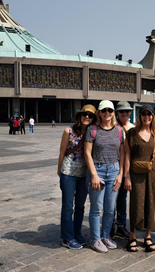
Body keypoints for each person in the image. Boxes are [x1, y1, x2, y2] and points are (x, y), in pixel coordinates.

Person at [84, 100, 125, 253]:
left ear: (113, 112)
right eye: (104, 110)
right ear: (99, 113)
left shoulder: (119, 131)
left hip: (113, 170)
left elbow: (122, 153)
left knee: (109, 209)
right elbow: (87, 153)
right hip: (98, 170)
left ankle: (105, 236)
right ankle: (95, 239)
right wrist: (93, 174)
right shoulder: (92, 129)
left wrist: (121, 174)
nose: (107, 113)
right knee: (96, 208)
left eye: (110, 110)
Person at [123, 105, 155, 252]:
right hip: (135, 173)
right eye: (144, 114)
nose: (147, 117)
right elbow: (127, 155)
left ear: (152, 117)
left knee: (150, 203)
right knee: (136, 203)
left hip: (151, 173)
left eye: (149, 114)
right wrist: (126, 176)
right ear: (140, 116)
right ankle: (132, 236)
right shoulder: (131, 133)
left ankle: (147, 236)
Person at [57, 104, 96, 249]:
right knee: (67, 206)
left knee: (80, 205)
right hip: (68, 171)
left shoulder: (93, 133)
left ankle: (77, 232)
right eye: (84, 114)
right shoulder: (69, 131)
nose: (86, 117)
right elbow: (62, 152)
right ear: (79, 116)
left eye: (90, 115)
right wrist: (59, 169)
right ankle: (67, 237)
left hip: (83, 174)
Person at [111, 101, 135, 239]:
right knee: (110, 197)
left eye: (127, 111)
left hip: (127, 168)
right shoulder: (113, 127)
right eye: (121, 112)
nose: (125, 114)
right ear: (117, 114)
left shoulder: (133, 127)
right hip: (114, 166)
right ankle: (110, 225)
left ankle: (121, 225)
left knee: (122, 197)